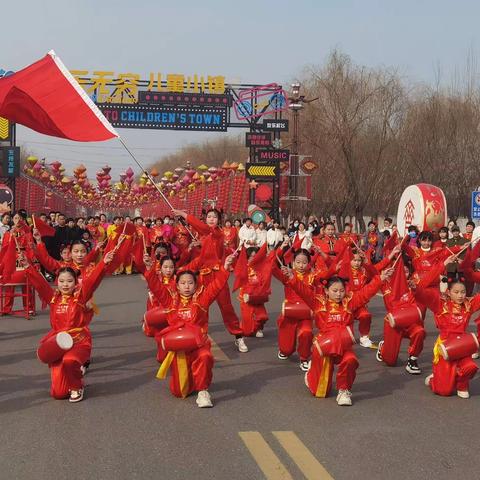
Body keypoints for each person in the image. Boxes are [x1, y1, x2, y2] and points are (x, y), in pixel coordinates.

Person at [281, 267, 391, 406]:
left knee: (350, 360)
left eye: (341, 291)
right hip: (325, 346)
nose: (339, 294)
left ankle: (343, 390)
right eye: (334, 291)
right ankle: (311, 376)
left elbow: (366, 293)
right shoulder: (318, 302)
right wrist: (292, 278)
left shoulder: (350, 302)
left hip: (344, 344)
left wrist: (380, 278)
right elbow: (302, 290)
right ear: (326, 291)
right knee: (320, 393)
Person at [143, 252, 235, 407]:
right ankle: (194, 378)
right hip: (180, 348)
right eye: (183, 283)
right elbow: (156, 286)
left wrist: (225, 268)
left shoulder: (202, 299)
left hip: (198, 345)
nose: (187, 286)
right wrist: (149, 268)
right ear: (177, 285)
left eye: (190, 283)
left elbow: (216, 286)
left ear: (195, 284)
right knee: (180, 392)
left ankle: (203, 391)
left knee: (205, 356)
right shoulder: (169, 301)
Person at [22, 250, 114, 402]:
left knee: (70, 361)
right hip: (58, 343)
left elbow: (92, 281)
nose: (65, 285)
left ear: (76, 282)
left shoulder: (80, 297)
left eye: (70, 281)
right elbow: (39, 283)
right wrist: (27, 266)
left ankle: (77, 386)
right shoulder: (53, 298)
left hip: (79, 341)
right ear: (57, 281)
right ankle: (68, 377)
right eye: (62, 281)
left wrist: (104, 262)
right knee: (58, 394)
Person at [172, 208, 248, 353]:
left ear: (219, 220)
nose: (211, 219)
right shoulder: (203, 238)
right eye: (209, 217)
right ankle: (201, 336)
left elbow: (205, 229)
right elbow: (200, 260)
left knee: (226, 308)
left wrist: (184, 214)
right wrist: (181, 270)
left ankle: (238, 336)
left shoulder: (217, 233)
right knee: (201, 307)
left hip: (218, 275)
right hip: (203, 277)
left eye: (214, 217)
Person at [415, 256, 480, 398]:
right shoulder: (440, 305)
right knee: (443, 391)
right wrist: (415, 288)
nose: (460, 295)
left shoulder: (468, 305)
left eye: (463, 292)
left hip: (463, 345)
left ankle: (461, 384)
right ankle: (434, 379)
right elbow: (422, 293)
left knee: (471, 367)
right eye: (456, 292)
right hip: (446, 346)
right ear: (449, 293)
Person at [376, 257, 426, 374]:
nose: (403, 274)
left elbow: (425, 298)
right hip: (393, 323)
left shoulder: (413, 286)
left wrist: (416, 289)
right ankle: (383, 347)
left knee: (420, 332)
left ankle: (413, 360)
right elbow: (371, 273)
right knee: (390, 361)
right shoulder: (385, 285)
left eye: (406, 271)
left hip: (410, 324)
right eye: (400, 271)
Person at [275, 248, 315, 371]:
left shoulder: (313, 276)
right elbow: (271, 267)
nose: (301, 265)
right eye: (298, 262)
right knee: (286, 350)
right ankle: (284, 350)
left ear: (309, 263)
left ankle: (304, 358)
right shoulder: (287, 274)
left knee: (306, 333)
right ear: (293, 263)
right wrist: (281, 249)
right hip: (289, 312)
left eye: (304, 262)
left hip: (305, 313)